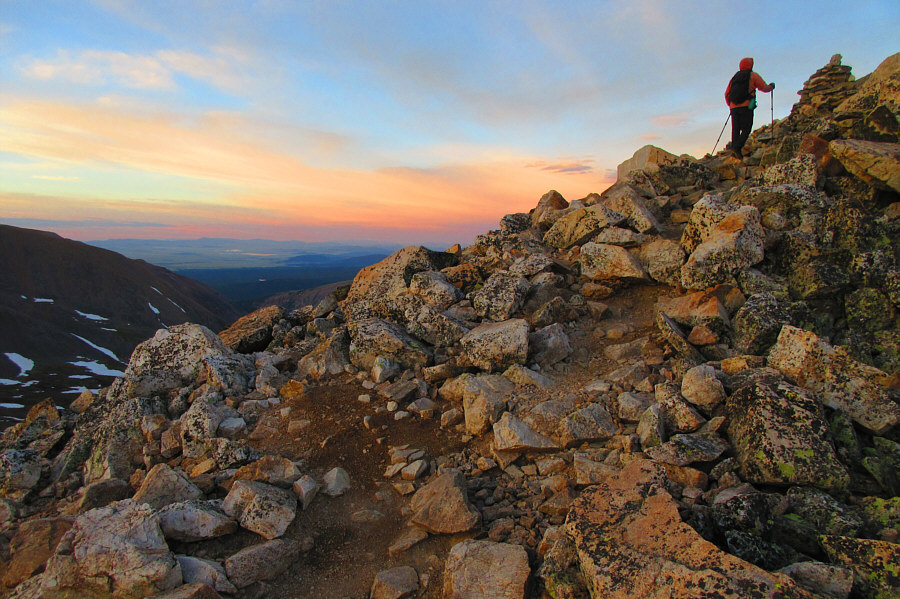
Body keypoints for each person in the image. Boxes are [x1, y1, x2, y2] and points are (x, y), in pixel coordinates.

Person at [724, 57, 774, 160]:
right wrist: (771, 87)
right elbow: (763, 87)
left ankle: (735, 151)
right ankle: (737, 148)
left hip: (734, 107)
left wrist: (731, 105)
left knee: (736, 128)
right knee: (747, 128)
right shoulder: (753, 75)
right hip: (746, 106)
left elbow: (727, 93)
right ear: (750, 65)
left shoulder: (734, 78)